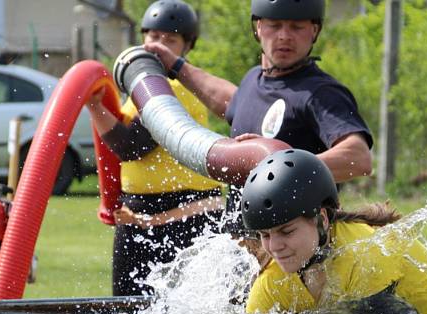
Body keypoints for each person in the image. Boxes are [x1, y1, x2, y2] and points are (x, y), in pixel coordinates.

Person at [143, 0, 373, 230]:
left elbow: (358, 157)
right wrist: (176, 66)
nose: (284, 36)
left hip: (294, 248)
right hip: (243, 244)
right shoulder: (254, 80)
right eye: (274, 25)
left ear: (314, 30)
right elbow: (231, 101)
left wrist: (276, 170)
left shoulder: (321, 92)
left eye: (296, 27)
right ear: (258, 27)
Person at [240, 150, 427, 314]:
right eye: (265, 235)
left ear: (321, 220)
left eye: (287, 232)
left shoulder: (365, 257)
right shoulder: (272, 280)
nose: (274, 247)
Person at [87, 0, 224, 296]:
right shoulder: (142, 88)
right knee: (129, 313)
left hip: (184, 214)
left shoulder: (176, 89)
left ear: (187, 46)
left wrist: (94, 106)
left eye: (170, 40)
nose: (158, 46)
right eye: (153, 37)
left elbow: (130, 146)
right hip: (143, 211)